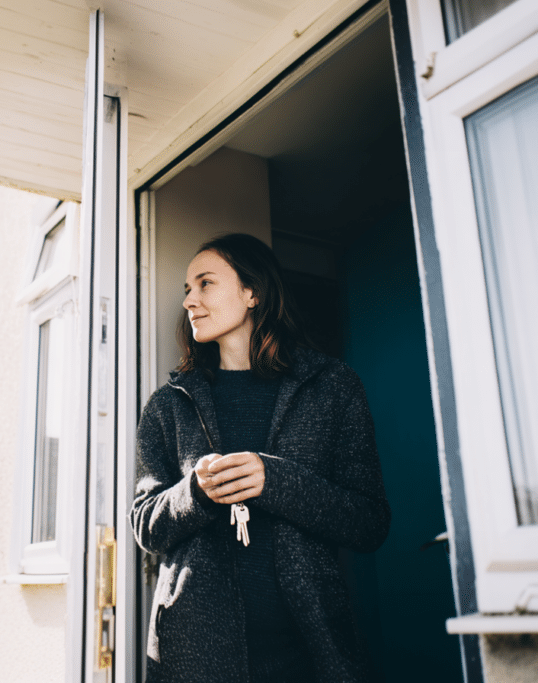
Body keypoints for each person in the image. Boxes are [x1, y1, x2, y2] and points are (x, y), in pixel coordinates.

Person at [130, 233, 390, 683]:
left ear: (252, 292)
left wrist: (276, 480)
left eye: (205, 283)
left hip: (311, 651)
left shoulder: (333, 387)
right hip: (192, 656)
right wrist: (196, 492)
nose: (190, 300)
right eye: (187, 290)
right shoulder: (168, 404)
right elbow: (145, 525)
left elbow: (369, 523)